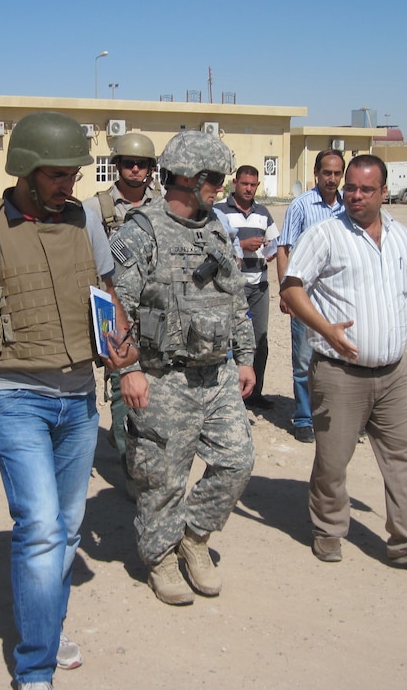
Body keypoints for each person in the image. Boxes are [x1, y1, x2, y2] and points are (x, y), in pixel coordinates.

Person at [0, 111, 136, 690]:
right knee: (42, 526)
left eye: (73, 174)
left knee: (68, 527)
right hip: (14, 395)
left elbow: (107, 292)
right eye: (55, 175)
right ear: (24, 170)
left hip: (77, 399)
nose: (67, 185)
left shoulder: (84, 222)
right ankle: (34, 668)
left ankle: (47, 627)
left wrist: (124, 351)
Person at [280, 154, 407, 568]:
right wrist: (325, 329)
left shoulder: (401, 237)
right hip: (340, 375)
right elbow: (291, 289)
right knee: (333, 462)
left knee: (405, 458)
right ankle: (328, 530)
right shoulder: (325, 235)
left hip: (395, 374)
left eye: (364, 189)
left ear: (383, 192)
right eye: (350, 188)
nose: (354, 196)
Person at [110, 129, 256, 606]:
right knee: (162, 477)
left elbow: (234, 298)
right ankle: (160, 558)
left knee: (237, 460)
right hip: (161, 376)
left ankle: (194, 537)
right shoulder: (141, 231)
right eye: (213, 178)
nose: (220, 187)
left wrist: (246, 356)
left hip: (215, 375)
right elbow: (113, 306)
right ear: (186, 178)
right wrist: (125, 370)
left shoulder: (215, 227)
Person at [83, 132, 160, 497]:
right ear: (116, 166)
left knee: (156, 389)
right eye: (127, 162)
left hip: (155, 313)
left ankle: (140, 453)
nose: (134, 169)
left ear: (150, 169)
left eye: (141, 163)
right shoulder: (95, 209)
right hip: (112, 310)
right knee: (121, 388)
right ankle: (132, 468)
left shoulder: (162, 205)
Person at [276, 149, 346, 444]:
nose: (332, 179)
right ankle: (304, 417)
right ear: (316, 173)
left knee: (340, 360)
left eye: (337, 173)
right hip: (306, 297)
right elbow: (284, 248)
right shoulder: (301, 206)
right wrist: (285, 290)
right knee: (304, 361)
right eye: (326, 173)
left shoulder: (347, 208)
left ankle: (338, 417)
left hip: (339, 298)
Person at [214, 165, 279, 410]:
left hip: (259, 286)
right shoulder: (218, 211)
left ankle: (254, 392)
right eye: (245, 184)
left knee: (259, 340)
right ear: (234, 183)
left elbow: (276, 241)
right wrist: (242, 244)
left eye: (253, 185)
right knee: (228, 342)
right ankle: (230, 396)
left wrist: (270, 250)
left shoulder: (263, 213)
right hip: (230, 289)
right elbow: (213, 246)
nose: (249, 189)